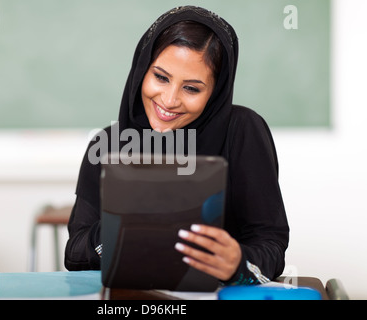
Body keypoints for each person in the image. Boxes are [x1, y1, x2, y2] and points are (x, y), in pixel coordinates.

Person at [64, 5, 289, 285]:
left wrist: (236, 262)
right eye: (160, 77)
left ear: (216, 91)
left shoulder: (243, 131)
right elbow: (74, 254)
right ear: (142, 70)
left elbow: (271, 244)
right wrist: (118, 229)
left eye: (192, 88)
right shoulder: (109, 143)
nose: (169, 100)